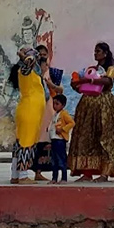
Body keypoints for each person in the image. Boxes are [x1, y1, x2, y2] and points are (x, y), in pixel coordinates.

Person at [68, 42, 114, 182]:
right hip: (87, 107)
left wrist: (89, 80)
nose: (95, 54)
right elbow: (81, 86)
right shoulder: (90, 69)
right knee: (86, 138)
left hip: (104, 106)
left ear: (105, 53)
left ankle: (105, 173)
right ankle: (87, 172)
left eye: (98, 51)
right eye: (95, 51)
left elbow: (107, 82)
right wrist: (76, 84)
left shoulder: (110, 69)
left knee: (105, 137)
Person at [8, 47, 47, 184]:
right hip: (30, 110)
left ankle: (15, 175)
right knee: (27, 143)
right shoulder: (25, 71)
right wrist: (24, 55)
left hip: (29, 110)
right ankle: (23, 175)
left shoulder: (33, 73)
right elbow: (29, 62)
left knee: (20, 144)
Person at [31, 43, 63, 181]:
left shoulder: (53, 73)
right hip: (35, 108)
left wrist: (50, 84)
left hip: (49, 109)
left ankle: (45, 171)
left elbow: (60, 90)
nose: (42, 57)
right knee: (36, 140)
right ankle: (35, 172)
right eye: (40, 55)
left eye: (45, 54)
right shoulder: (32, 72)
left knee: (47, 140)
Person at [49, 95, 75, 183]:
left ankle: (64, 178)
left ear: (63, 105)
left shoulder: (64, 114)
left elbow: (71, 123)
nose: (54, 106)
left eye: (57, 104)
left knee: (61, 159)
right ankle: (54, 178)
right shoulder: (55, 114)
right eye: (54, 104)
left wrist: (63, 129)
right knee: (54, 160)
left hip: (60, 140)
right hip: (54, 139)